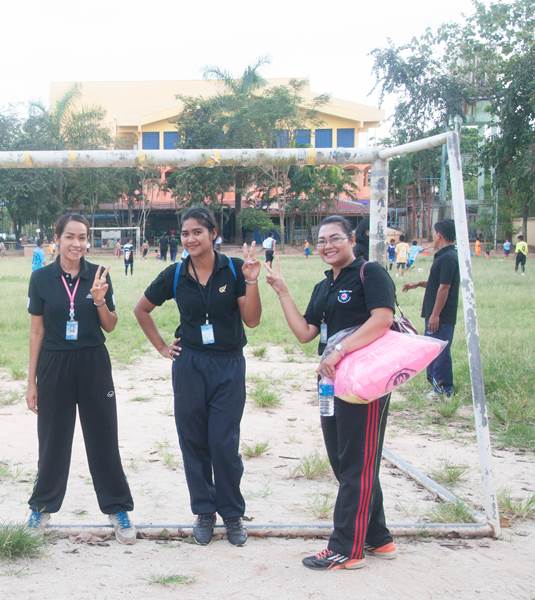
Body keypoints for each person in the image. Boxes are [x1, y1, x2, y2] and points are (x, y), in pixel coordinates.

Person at [264, 215, 396, 571]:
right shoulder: (324, 286)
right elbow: (305, 333)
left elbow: (382, 319)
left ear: (351, 239)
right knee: (344, 461)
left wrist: (340, 350)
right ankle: (377, 536)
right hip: (330, 383)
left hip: (364, 383)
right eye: (321, 240)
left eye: (335, 238)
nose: (327, 245)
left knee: (357, 463)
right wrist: (282, 292)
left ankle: (346, 548)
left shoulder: (370, 273)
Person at [133, 207, 262, 547]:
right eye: (185, 233)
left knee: (223, 442)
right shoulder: (175, 274)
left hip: (228, 364)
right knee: (193, 440)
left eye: (197, 232)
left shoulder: (234, 269)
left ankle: (232, 514)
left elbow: (252, 320)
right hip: (189, 365)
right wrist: (162, 347)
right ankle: (204, 511)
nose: (190, 239)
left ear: (213, 233)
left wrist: (251, 281)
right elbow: (141, 309)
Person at [24, 213, 136, 545]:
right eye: (70, 237)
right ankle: (41, 508)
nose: (77, 244)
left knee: (104, 438)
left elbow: (111, 325)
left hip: (93, 362)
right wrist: (31, 381)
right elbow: (36, 331)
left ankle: (117, 508)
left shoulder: (99, 274)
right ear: (57, 239)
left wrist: (99, 301)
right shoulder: (41, 279)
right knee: (52, 440)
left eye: (82, 237)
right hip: (54, 363)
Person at [402, 220, 459, 399]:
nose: (433, 237)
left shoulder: (448, 258)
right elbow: (437, 283)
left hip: (442, 315)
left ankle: (444, 389)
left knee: (439, 350)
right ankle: (435, 385)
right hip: (435, 313)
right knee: (433, 348)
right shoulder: (443, 256)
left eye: (434, 234)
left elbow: (444, 287)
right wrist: (417, 284)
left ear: (439, 235)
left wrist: (435, 315)